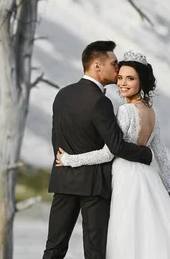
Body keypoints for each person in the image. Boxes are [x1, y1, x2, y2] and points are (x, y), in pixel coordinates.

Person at [55, 49, 170, 259]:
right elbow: (160, 154)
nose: (123, 83)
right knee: (149, 237)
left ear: (142, 81)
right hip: (149, 179)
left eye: (130, 78)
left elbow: (109, 153)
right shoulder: (151, 112)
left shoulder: (126, 111)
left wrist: (69, 159)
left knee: (127, 238)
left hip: (126, 179)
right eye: (120, 77)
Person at [42, 41, 154, 259]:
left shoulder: (62, 95)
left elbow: (57, 140)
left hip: (63, 180)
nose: (117, 68)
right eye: (113, 63)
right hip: (94, 186)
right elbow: (116, 146)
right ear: (96, 65)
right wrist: (145, 154)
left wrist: (66, 161)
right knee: (95, 252)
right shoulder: (100, 102)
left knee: (54, 247)